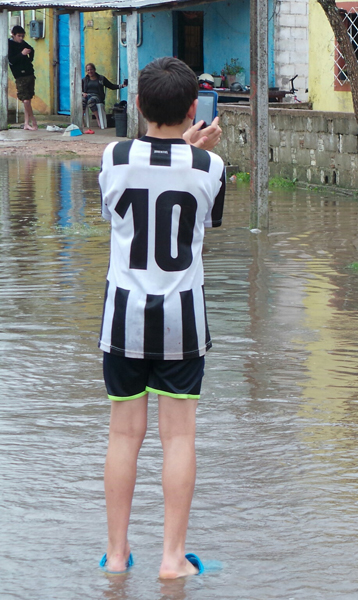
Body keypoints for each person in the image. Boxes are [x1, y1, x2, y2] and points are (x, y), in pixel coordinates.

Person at [97, 56, 224, 579]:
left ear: (140, 105)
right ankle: (173, 559)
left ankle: (119, 556)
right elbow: (201, 215)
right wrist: (193, 150)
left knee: (124, 436)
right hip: (182, 319)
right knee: (180, 438)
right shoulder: (212, 167)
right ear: (194, 107)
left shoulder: (113, 156)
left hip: (123, 315)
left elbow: (119, 208)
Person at [8, 25, 37, 131]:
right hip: (20, 75)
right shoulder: (9, 44)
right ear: (13, 35)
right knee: (25, 100)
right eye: (19, 36)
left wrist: (30, 58)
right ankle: (33, 120)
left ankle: (26, 123)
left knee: (28, 99)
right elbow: (11, 60)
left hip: (29, 73)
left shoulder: (23, 43)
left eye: (22, 36)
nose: (21, 38)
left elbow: (31, 49)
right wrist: (21, 54)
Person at [82, 63, 126, 129]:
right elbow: (79, 89)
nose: (90, 71)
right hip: (87, 95)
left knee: (91, 101)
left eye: (91, 69)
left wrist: (122, 86)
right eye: (88, 70)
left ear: (94, 70)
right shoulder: (85, 80)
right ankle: (82, 120)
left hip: (97, 96)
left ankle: (98, 119)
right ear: (86, 71)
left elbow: (111, 86)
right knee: (82, 101)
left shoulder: (101, 78)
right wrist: (83, 93)